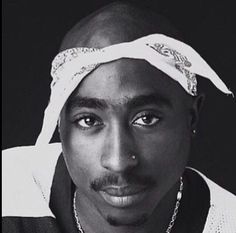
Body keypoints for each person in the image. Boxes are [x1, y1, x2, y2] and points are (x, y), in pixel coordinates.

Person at [2, 1, 236, 233]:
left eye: (146, 119)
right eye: (89, 120)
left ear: (191, 118)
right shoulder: (9, 195)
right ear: (60, 125)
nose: (119, 161)